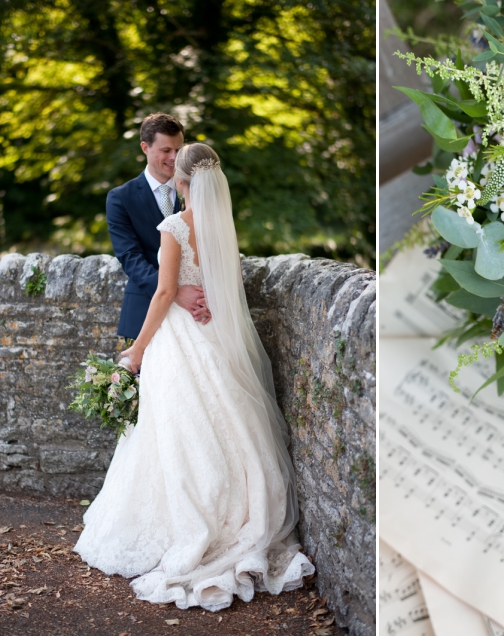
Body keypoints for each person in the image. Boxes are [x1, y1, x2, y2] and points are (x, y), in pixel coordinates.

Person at [74, 142, 314, 611]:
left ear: (181, 182)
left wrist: (136, 352)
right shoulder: (221, 227)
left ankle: (192, 523)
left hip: (178, 340)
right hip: (216, 336)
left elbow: (164, 293)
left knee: (177, 432)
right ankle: (234, 511)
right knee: (228, 424)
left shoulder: (174, 227)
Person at [106, 113, 210, 342]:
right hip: (145, 310)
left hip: (198, 314)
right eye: (166, 150)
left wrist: (210, 298)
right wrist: (173, 292)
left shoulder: (199, 192)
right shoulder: (120, 198)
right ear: (145, 147)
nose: (174, 157)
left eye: (179, 150)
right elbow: (130, 257)